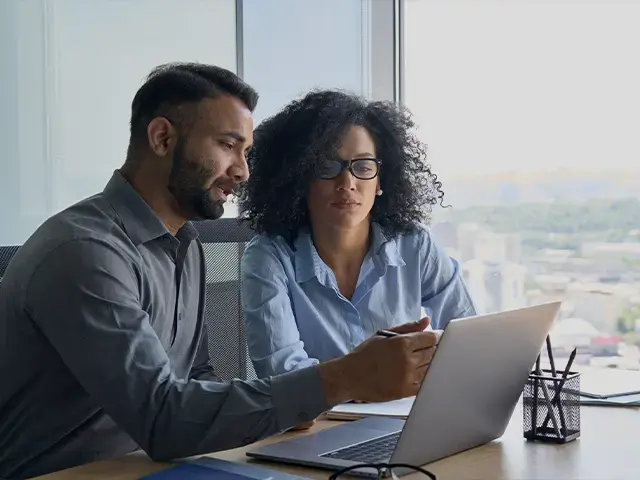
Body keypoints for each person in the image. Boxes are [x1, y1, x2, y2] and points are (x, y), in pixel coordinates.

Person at [0, 64, 440, 480]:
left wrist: (278, 411)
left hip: (149, 469)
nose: (243, 172)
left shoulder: (186, 245)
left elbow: (198, 380)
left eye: (246, 152)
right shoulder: (85, 253)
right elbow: (163, 418)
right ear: (162, 138)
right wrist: (344, 378)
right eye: (228, 146)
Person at [239, 90, 476, 388]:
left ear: (380, 181)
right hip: (318, 428)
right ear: (298, 178)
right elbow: (284, 381)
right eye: (327, 167)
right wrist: (369, 377)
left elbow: (469, 337)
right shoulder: (268, 257)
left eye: (363, 167)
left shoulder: (415, 245)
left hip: (405, 418)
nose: (347, 183)